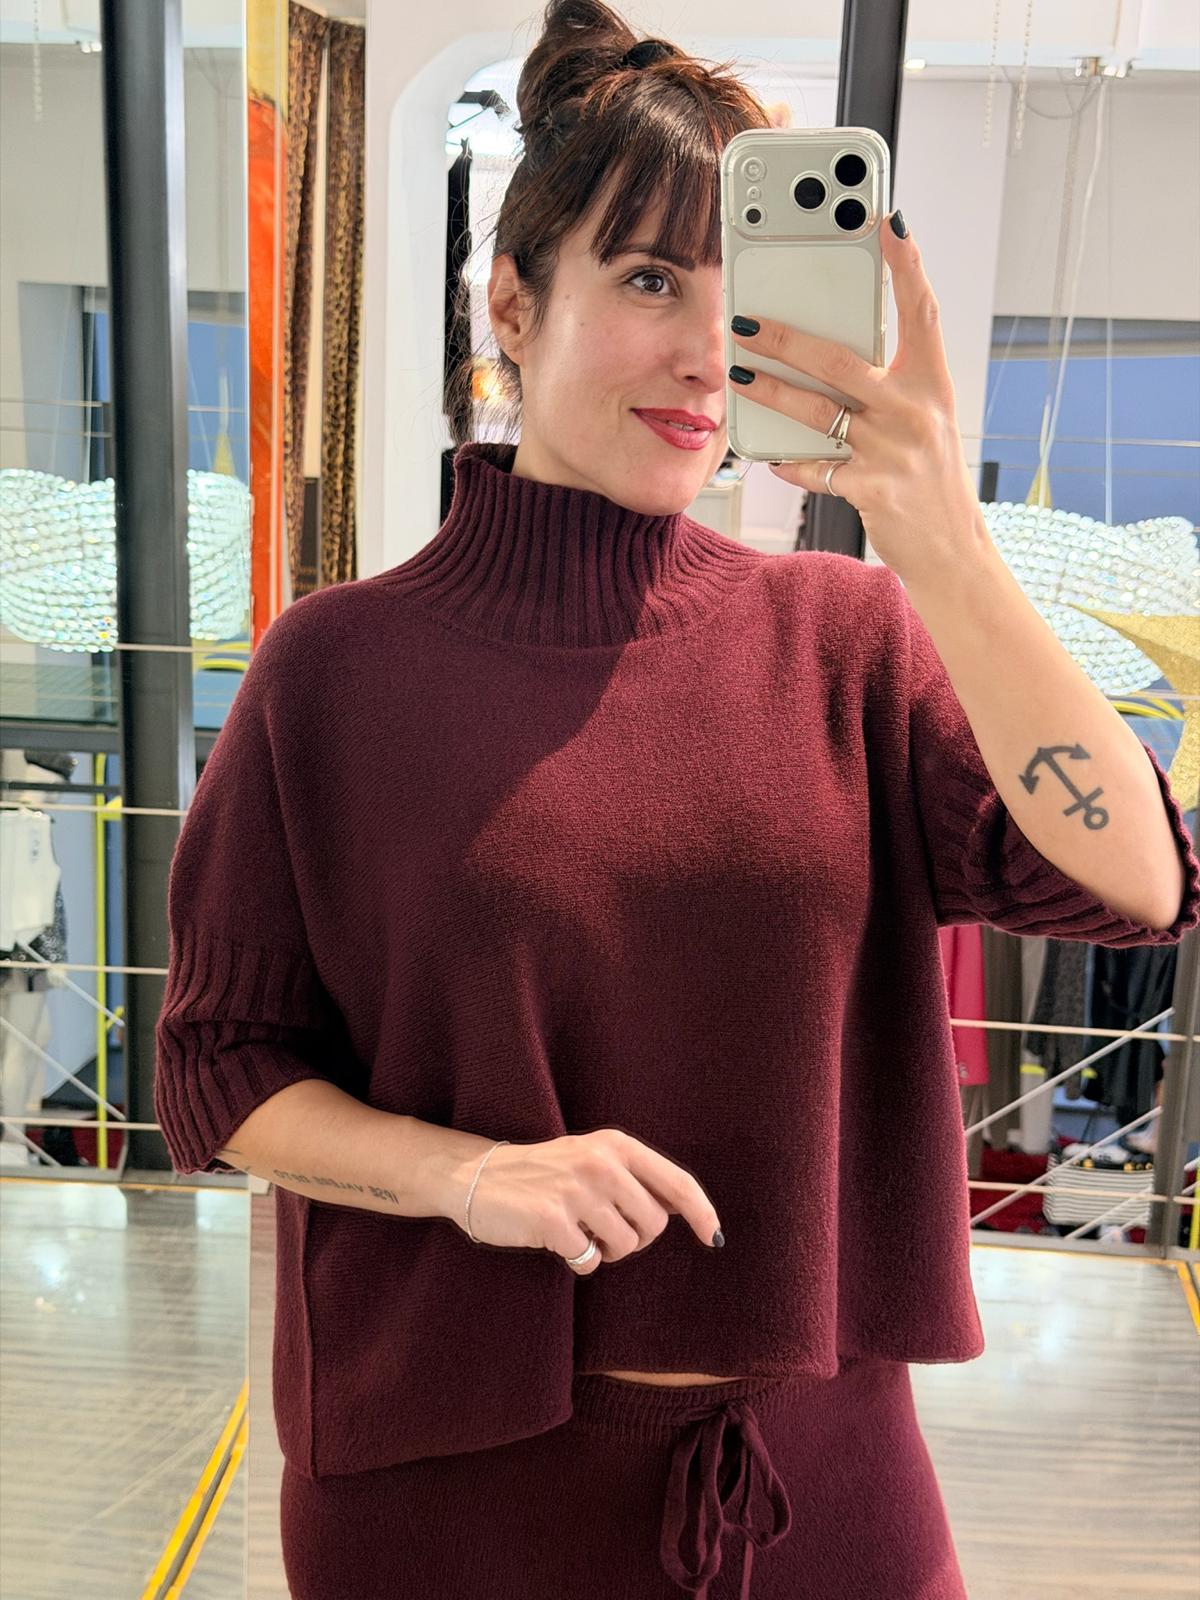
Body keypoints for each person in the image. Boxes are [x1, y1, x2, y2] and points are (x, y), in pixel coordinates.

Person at [153, 1, 1200, 1596]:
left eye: (744, 302)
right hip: (440, 1501)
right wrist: (467, 1175)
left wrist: (938, 529)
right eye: (651, 281)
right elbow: (221, 1064)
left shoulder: (848, 639)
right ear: (514, 301)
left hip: (818, 1485)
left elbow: (1136, 884)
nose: (710, 354)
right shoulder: (336, 671)